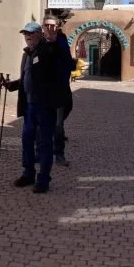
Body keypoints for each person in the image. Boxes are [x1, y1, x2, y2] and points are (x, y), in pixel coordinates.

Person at [3, 15, 73, 193]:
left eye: (31, 33)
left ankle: (43, 179)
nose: (27, 36)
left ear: (39, 35)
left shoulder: (49, 49)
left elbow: (64, 60)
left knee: (44, 143)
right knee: (27, 141)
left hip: (45, 105)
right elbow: (27, 78)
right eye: (25, 33)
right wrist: (10, 85)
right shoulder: (28, 54)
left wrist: (54, 40)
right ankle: (28, 174)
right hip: (29, 106)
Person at [54, 23, 75, 167]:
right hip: (42, 92)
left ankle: (59, 154)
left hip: (60, 90)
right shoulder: (40, 43)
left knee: (58, 125)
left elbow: (68, 64)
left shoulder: (62, 41)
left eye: (53, 26)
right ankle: (40, 153)